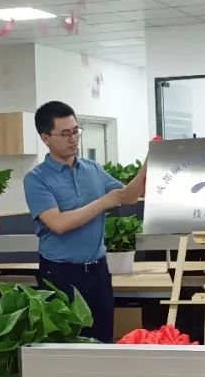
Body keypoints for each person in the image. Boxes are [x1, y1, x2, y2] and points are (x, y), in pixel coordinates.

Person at [23, 101, 147, 343]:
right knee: (66, 346)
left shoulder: (92, 169)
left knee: (102, 342)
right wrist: (103, 202)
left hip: (98, 272)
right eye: (65, 134)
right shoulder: (36, 179)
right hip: (60, 274)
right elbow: (58, 223)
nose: (73, 139)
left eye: (76, 131)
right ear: (45, 138)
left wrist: (147, 164)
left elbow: (128, 196)